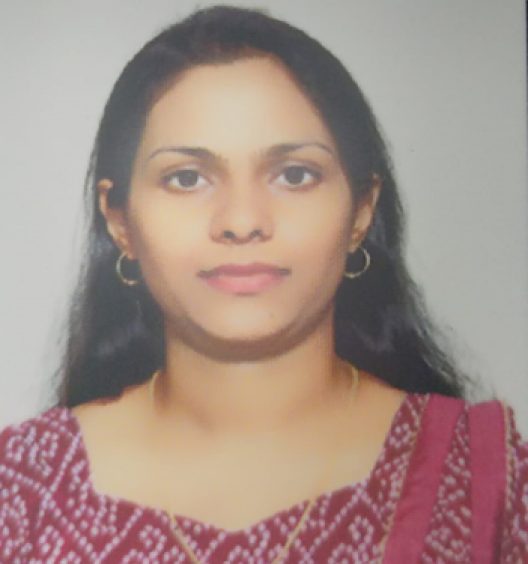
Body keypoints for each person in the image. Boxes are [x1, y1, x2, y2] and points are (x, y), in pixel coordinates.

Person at [0, 5, 526, 563]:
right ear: (120, 221)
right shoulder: (23, 488)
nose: (243, 220)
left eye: (294, 175)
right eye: (187, 178)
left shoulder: (485, 480)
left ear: (361, 211)